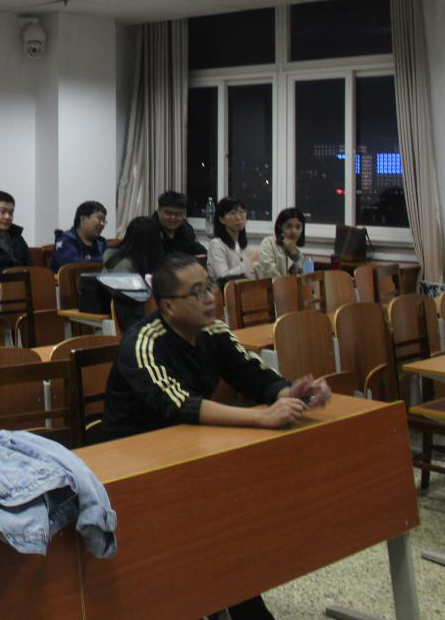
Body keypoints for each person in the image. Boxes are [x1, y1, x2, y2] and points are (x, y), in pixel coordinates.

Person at [101, 254, 332, 620]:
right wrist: (260, 419)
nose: (209, 297)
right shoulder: (143, 343)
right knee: (208, 526)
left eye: (209, 286)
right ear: (168, 306)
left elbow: (251, 374)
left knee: (227, 526)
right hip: (132, 463)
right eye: (196, 292)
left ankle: (235, 599)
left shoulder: (214, 331)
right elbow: (180, 404)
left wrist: (289, 392)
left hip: (187, 448)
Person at [206, 197, 256, 287]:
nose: (238, 217)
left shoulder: (242, 244)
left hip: (245, 290)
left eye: (241, 212)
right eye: (232, 213)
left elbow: (251, 275)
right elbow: (223, 277)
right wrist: (248, 262)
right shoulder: (216, 244)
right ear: (222, 219)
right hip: (224, 292)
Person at [51, 200, 107, 271]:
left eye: (104, 221)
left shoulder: (101, 243)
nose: (102, 224)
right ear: (83, 219)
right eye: (99, 219)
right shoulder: (65, 240)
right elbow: (71, 264)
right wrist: (104, 260)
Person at [256, 207, 307, 279]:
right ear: (280, 227)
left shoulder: (299, 253)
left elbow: (307, 279)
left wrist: (295, 255)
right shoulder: (268, 243)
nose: (294, 231)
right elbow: (269, 275)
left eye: (298, 227)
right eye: (289, 226)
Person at [156, 190, 206, 256]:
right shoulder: (149, 230)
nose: (173, 217)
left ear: (184, 214)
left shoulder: (186, 229)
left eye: (178, 214)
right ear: (159, 211)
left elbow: (199, 251)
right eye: (168, 213)